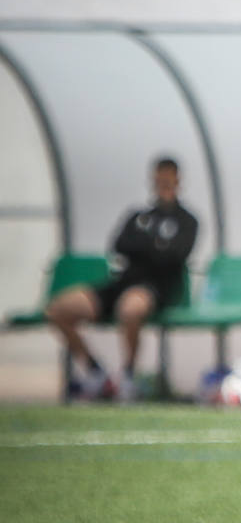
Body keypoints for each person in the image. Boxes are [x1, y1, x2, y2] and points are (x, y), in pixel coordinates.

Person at [45, 156, 198, 401]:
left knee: (130, 309)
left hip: (156, 288)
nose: (163, 183)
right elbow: (119, 244)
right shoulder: (138, 215)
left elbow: (175, 255)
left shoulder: (187, 220)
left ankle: (127, 375)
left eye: (169, 178)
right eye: (159, 178)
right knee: (58, 310)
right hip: (121, 282)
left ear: (178, 180)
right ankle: (96, 372)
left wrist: (146, 246)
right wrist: (156, 246)